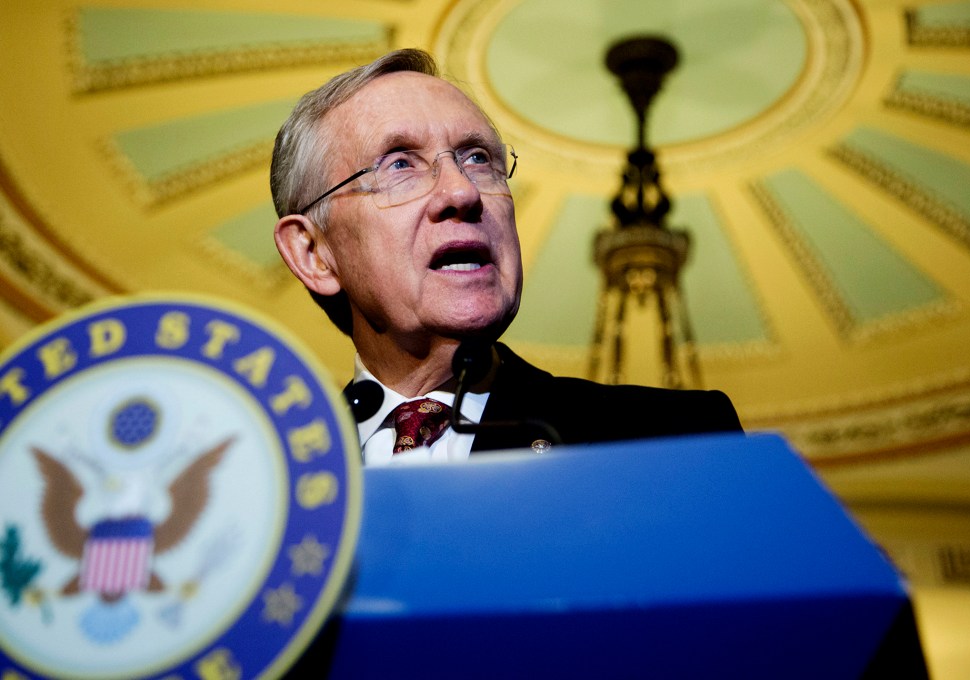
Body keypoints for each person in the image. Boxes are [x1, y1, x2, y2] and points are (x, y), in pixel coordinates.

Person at [271, 48, 742, 465]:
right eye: (399, 164)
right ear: (313, 253)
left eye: (478, 158)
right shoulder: (266, 486)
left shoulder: (674, 443)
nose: (462, 191)